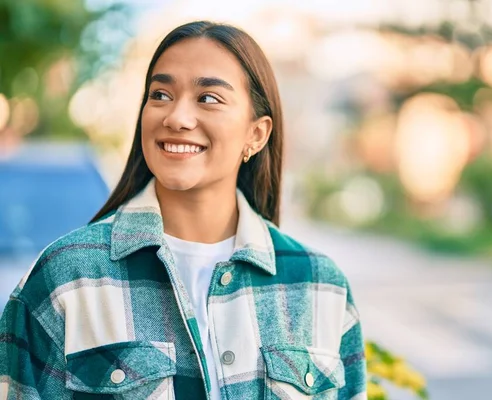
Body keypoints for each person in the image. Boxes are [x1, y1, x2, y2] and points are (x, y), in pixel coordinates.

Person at [0, 21, 366, 399]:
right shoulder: (66, 278)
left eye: (208, 97)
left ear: (256, 134)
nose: (175, 117)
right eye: (161, 94)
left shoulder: (321, 285)